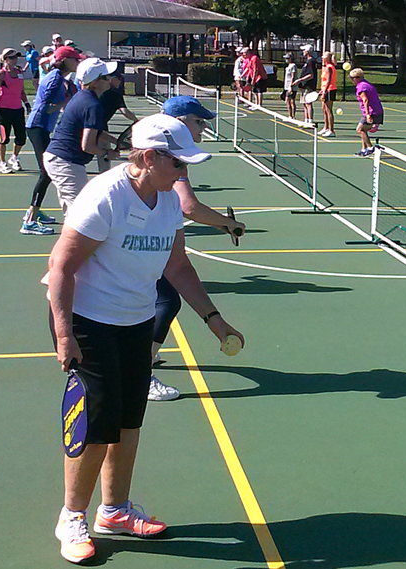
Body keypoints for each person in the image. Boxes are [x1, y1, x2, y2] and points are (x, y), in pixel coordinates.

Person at [46, 113, 245, 564]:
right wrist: (63, 333)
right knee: (95, 425)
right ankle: (71, 515)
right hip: (88, 320)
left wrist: (215, 320)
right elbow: (62, 266)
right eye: (178, 164)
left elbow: (177, 267)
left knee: (129, 422)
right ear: (149, 157)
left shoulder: (169, 201)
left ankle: (114, 510)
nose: (184, 173)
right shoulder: (105, 197)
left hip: (134, 321)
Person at [148, 96, 246, 401]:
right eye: (199, 121)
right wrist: (227, 224)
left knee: (166, 300)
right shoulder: (166, 162)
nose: (203, 129)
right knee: (163, 303)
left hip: (143, 253)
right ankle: (140, 372)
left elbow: (178, 261)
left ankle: (140, 363)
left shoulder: (169, 172)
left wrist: (214, 320)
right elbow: (189, 206)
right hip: (98, 291)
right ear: (181, 122)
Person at [44, 58, 119, 214]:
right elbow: (88, 145)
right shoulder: (93, 105)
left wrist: (117, 141)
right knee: (81, 214)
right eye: (106, 77)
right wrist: (107, 153)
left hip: (59, 159)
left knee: (73, 214)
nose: (110, 79)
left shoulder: (83, 97)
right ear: (95, 83)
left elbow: (94, 132)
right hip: (65, 162)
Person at [22, 46, 84, 234]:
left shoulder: (59, 77)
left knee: (48, 171)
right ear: (65, 60)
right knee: (46, 172)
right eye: (75, 59)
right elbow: (44, 107)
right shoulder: (55, 79)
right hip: (37, 127)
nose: (77, 62)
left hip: (42, 127)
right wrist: (68, 101)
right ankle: (29, 220)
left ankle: (35, 212)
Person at [0, 48, 31, 174]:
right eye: (12, 58)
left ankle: (14, 157)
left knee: (21, 137)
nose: (15, 60)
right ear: (6, 59)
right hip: (3, 110)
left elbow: (21, 91)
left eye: (16, 57)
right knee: (3, 138)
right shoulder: (1, 74)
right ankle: (2, 163)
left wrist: (27, 104)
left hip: (17, 109)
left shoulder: (19, 72)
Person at [96, 62, 139, 173]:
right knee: (104, 155)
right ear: (113, 79)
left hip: (98, 127)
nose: (121, 81)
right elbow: (124, 111)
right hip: (99, 127)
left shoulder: (98, 91)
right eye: (119, 78)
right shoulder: (115, 94)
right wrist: (137, 121)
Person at [349, 68, 384, 157]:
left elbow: (365, 100)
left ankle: (369, 148)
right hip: (374, 111)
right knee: (363, 130)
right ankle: (364, 150)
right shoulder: (365, 84)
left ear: (358, 78)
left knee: (359, 130)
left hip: (373, 112)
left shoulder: (362, 87)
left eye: (352, 78)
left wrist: (368, 115)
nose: (352, 80)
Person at [292, 46, 319, 127]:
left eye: (304, 50)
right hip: (304, 86)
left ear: (307, 51)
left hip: (309, 86)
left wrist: (299, 80)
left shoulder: (311, 62)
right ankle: (306, 120)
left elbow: (311, 75)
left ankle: (310, 121)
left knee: (308, 103)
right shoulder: (307, 61)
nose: (303, 51)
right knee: (304, 103)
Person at [318, 51, 338, 137]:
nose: (322, 58)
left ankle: (331, 130)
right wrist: (322, 90)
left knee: (328, 110)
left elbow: (329, 81)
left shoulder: (329, 67)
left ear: (326, 58)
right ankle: (325, 128)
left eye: (323, 57)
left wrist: (325, 91)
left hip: (330, 90)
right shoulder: (326, 67)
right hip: (325, 89)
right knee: (324, 109)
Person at [282, 53, 298, 120]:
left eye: (287, 58)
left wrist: (291, 86)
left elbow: (293, 76)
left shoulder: (293, 66)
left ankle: (293, 116)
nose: (286, 60)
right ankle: (290, 115)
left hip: (291, 86)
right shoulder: (288, 66)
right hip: (286, 86)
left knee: (291, 100)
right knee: (287, 100)